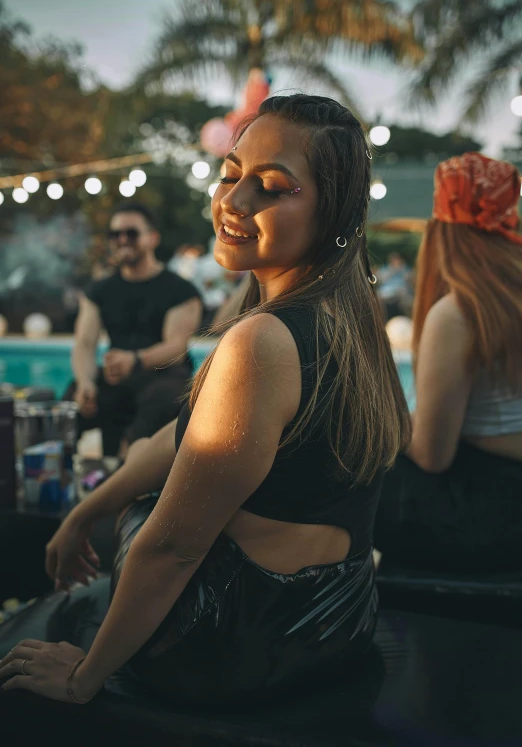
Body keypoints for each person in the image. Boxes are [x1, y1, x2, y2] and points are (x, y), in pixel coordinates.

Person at [0, 95, 410, 707]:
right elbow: (185, 439)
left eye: (272, 187)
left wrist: (86, 675)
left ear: (335, 214)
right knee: (134, 487)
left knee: (145, 520)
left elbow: (175, 548)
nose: (233, 203)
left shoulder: (262, 343)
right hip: (336, 622)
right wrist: (83, 510)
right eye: (231, 174)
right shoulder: (354, 317)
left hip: (235, 641)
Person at [375, 153, 522, 573]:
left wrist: (383, 419)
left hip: (488, 519)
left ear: (438, 229)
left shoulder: (458, 313)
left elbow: (432, 455)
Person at [65, 202, 203, 456]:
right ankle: (62, 479)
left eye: (131, 233)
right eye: (115, 234)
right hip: (117, 374)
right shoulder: (99, 290)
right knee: (71, 399)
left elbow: (176, 348)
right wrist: (85, 382)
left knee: (164, 398)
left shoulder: (181, 290)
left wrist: (136, 360)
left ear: (152, 238)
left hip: (163, 374)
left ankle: (133, 474)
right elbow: (84, 343)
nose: (122, 240)